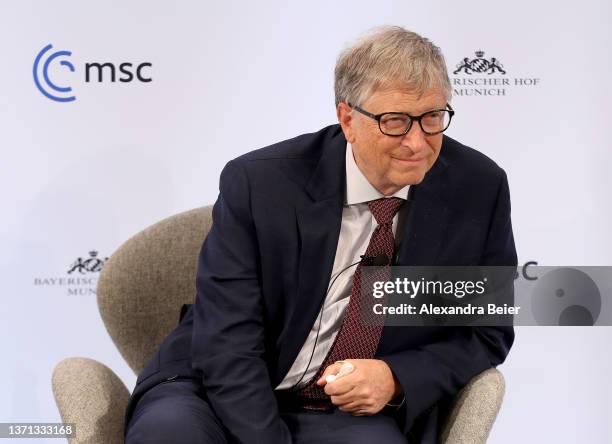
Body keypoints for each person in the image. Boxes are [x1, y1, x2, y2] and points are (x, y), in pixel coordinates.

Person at [124, 25, 516, 444]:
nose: (417, 143)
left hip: (347, 411)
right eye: (396, 122)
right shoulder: (260, 183)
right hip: (214, 389)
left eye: (434, 118)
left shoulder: (476, 188)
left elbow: (486, 329)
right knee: (169, 434)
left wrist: (396, 377)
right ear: (348, 118)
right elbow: (227, 340)